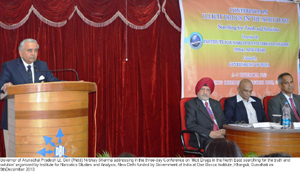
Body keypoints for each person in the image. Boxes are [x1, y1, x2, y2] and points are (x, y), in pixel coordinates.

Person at [0, 38, 60, 156]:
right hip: (14, 121)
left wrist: (73, 84)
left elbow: (54, 82)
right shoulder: (9, 66)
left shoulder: (42, 65)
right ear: (21, 53)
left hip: (39, 121)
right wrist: (5, 86)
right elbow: (1, 83)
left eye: (36, 50)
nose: (33, 53)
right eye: (30, 50)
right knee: (14, 157)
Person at [185, 77, 227, 149]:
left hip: (220, 136)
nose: (205, 92)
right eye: (202, 89)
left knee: (235, 143)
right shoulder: (191, 104)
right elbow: (190, 125)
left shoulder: (216, 104)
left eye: (208, 90)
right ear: (198, 90)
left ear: (210, 92)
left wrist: (224, 130)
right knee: (217, 146)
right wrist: (209, 133)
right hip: (202, 138)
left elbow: (224, 121)